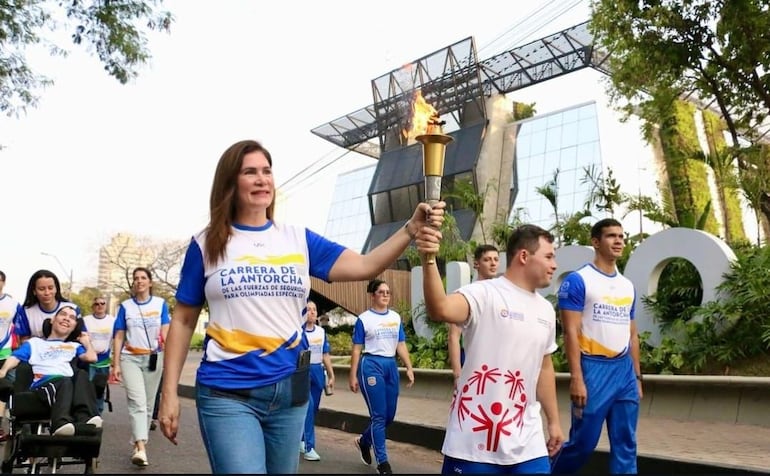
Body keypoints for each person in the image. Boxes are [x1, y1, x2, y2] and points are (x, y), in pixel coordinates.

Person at [157, 139, 444, 475]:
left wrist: (410, 229)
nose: (262, 179)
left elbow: (366, 265)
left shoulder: (297, 239)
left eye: (267, 171)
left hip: (289, 394)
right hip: (228, 392)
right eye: (250, 172)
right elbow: (183, 320)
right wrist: (169, 392)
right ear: (230, 182)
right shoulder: (205, 245)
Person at [415, 223, 564, 474]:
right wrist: (429, 260)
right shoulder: (483, 294)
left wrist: (555, 422)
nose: (554, 265)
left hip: (528, 440)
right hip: (474, 441)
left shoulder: (546, 310)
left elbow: (545, 367)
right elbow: (439, 309)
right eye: (548, 256)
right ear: (524, 257)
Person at [550, 218, 641, 474]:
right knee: (582, 444)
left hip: (624, 371)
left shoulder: (627, 286)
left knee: (626, 443)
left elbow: (632, 334)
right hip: (593, 369)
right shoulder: (578, 280)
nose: (619, 240)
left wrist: (637, 377)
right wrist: (577, 378)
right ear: (595, 242)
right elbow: (570, 331)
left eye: (621, 236)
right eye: (612, 236)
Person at [0, 305, 102, 436]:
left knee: (81, 374)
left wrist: (86, 342)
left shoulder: (73, 346)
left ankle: (84, 417)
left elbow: (92, 357)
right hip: (43, 387)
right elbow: (15, 357)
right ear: (53, 320)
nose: (66, 319)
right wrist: (3, 370)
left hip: (67, 386)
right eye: (63, 314)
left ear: (74, 326)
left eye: (71, 318)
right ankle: (59, 423)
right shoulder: (35, 343)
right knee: (65, 381)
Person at [350, 279, 415, 475]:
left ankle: (363, 441)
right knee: (378, 416)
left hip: (390, 365)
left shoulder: (395, 317)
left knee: (389, 416)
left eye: (388, 292)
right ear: (373, 295)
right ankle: (383, 463)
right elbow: (357, 348)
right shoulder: (364, 319)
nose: (386, 295)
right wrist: (352, 375)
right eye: (381, 292)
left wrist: (409, 367)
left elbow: (400, 344)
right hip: (371, 365)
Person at [110, 267, 170, 467]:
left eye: (143, 278)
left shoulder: (160, 304)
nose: (139, 281)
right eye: (136, 278)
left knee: (148, 404)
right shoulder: (126, 306)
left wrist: (170, 360)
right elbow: (119, 336)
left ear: (150, 282)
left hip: (153, 357)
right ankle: (142, 449)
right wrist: (116, 363)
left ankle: (138, 443)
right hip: (130, 358)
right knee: (137, 401)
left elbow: (166, 332)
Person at [448, 244, 499, 387]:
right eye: (487, 259)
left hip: (502, 368)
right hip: (475, 368)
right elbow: (453, 336)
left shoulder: (505, 294)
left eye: (496, 259)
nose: (493, 263)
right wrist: (457, 373)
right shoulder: (465, 294)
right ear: (476, 264)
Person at [299, 300, 335, 461]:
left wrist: (331, 373)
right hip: (302, 371)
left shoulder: (321, 332)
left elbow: (325, 354)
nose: (312, 312)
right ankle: (309, 447)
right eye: (308, 309)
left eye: (314, 309)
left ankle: (300, 439)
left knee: (313, 410)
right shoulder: (298, 332)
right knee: (309, 407)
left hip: (317, 371)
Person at [15, 269, 80, 341]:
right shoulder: (26, 311)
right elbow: (23, 340)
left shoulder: (73, 309)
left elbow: (81, 336)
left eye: (50, 288)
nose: (47, 293)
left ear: (56, 289)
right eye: (41, 289)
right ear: (34, 291)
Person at [82, 296, 116, 415]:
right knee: (88, 387)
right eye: (97, 304)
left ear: (106, 306)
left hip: (104, 360)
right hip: (89, 359)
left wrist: (115, 361)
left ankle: (98, 413)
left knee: (100, 388)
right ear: (93, 307)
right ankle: (87, 412)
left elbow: (117, 339)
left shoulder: (112, 321)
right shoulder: (86, 320)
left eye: (102, 303)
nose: (100, 306)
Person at [0, 270, 21, 439]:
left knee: (6, 389)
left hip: (5, 353)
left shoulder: (13, 304)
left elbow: (20, 329)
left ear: (4, 282)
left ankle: (4, 423)